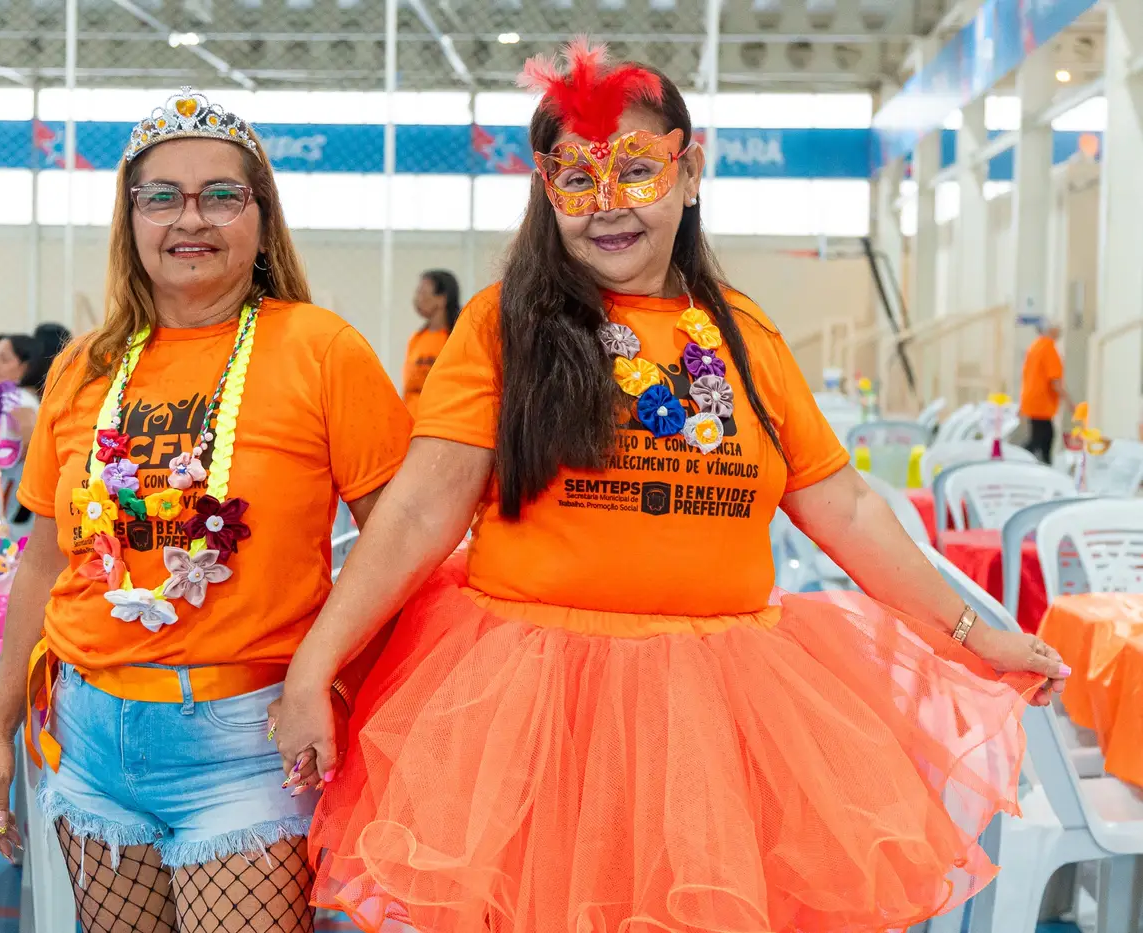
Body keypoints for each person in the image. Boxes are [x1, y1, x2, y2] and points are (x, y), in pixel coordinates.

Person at [272, 42, 1070, 933]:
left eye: (638, 170)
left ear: (689, 174)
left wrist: (974, 635)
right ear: (545, 190)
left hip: (714, 729)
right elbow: (421, 510)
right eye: (579, 179)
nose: (610, 204)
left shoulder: (747, 336)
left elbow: (844, 507)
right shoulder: (505, 328)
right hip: (534, 720)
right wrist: (317, 662)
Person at [0, 89, 411, 932]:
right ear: (130, 219)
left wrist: (326, 674)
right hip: (91, 740)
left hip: (247, 742)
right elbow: (45, 561)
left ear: (261, 218)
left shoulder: (322, 350)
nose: (190, 218)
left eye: (221, 195)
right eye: (161, 196)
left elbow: (404, 543)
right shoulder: (83, 368)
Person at [401, 270, 460, 417]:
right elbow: (408, 386)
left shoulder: (455, 339)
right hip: (411, 419)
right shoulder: (416, 338)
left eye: (423, 293)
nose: (417, 299)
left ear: (442, 299)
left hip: (440, 418)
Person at [1021, 320, 1069, 463]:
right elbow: (1054, 381)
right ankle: (1019, 459)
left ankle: (1043, 463)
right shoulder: (1048, 348)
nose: (1060, 332)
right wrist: (1069, 402)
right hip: (1042, 401)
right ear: (1051, 330)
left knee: (1042, 437)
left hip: (1032, 400)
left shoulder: (1035, 346)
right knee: (1042, 438)